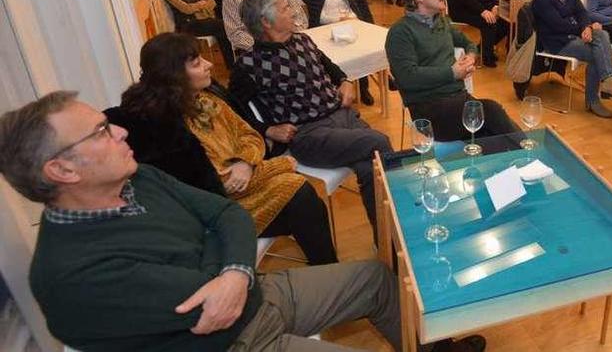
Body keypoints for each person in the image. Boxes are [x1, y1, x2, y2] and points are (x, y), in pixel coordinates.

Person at [0, 92, 404, 351]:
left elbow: (228, 213)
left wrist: (232, 272)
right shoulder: (71, 273)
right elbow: (205, 294)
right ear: (63, 171)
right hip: (240, 341)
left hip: (258, 295)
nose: (122, 131)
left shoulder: (139, 176)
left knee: (378, 279)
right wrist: (227, 258)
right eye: (101, 131)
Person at [106, 33, 337, 265]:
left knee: (301, 196)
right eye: (197, 63)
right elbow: (223, 185)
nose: (209, 65)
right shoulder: (168, 127)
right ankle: (328, 271)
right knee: (300, 193)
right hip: (217, 209)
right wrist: (282, 163)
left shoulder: (207, 100)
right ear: (173, 75)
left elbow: (251, 136)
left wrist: (245, 162)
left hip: (245, 185)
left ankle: (327, 271)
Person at [230, 0, 393, 239]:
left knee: (371, 166)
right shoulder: (248, 65)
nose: (292, 11)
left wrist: (345, 81)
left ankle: (386, 240)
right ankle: (393, 236)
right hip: (309, 134)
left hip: (342, 116)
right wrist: (267, 130)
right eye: (284, 8)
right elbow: (234, 113)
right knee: (379, 144)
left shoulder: (302, 40)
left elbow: (333, 68)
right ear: (266, 21)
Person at [386, 0, 520, 141]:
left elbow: (468, 43)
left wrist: (471, 56)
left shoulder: (442, 22)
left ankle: (523, 160)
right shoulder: (401, 32)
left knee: (490, 133)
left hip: (458, 100)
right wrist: (452, 73)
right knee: (492, 112)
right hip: (429, 110)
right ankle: (531, 156)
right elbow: (407, 77)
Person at [297, 0, 376, 105]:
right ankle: (338, 87)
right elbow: (295, 3)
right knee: (333, 55)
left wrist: (368, 22)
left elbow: (361, 3)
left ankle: (364, 86)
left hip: (352, 25)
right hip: (326, 30)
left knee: (358, 50)